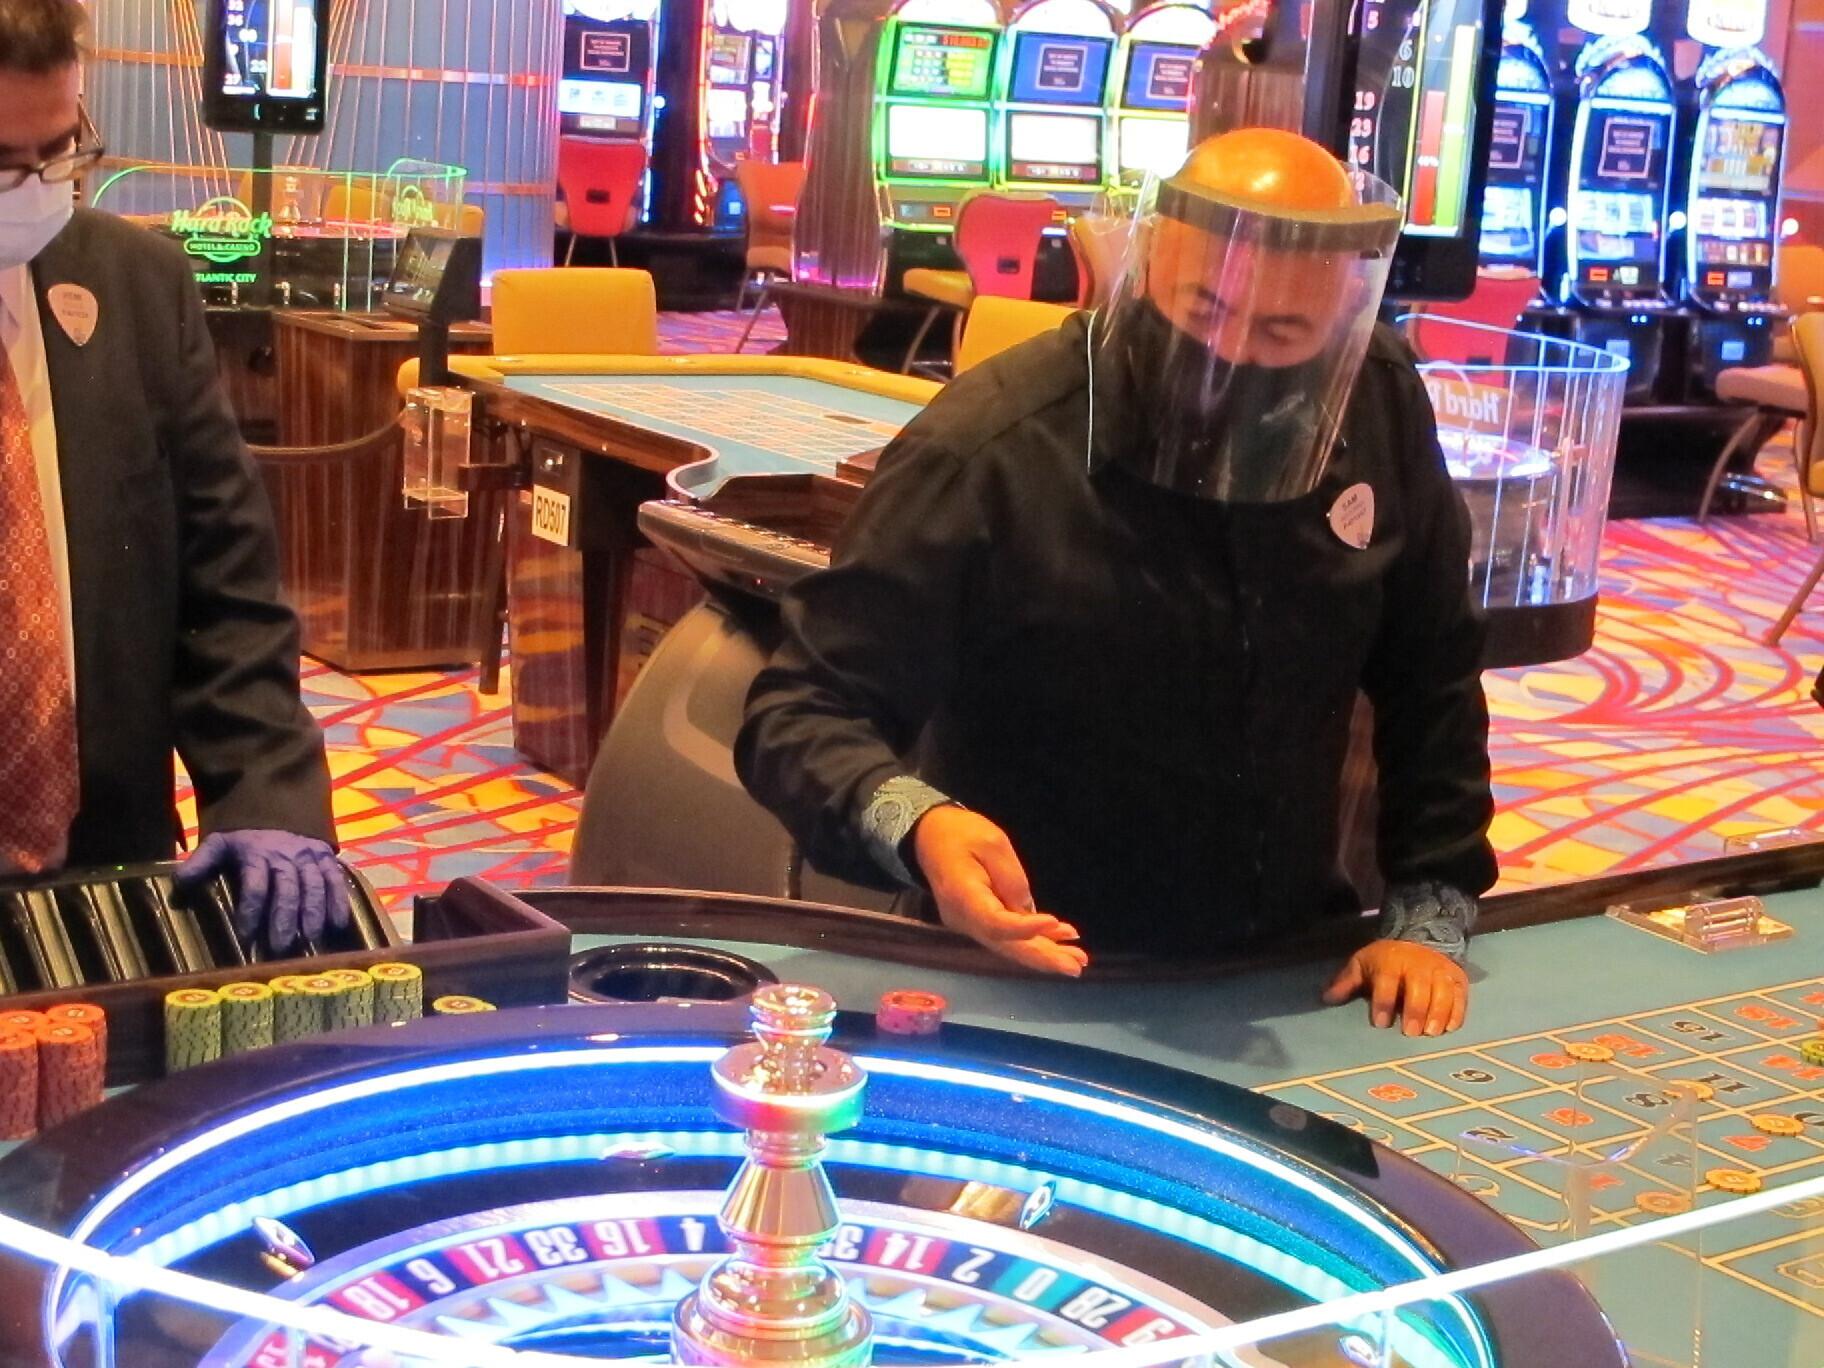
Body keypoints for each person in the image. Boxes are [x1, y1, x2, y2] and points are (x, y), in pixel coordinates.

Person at [738, 128, 1496, 1036]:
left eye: (1284, 329)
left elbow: (1433, 665)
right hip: (1031, 967)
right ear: (1148, 263)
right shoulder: (991, 443)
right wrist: (923, 825)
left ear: (1341, 307)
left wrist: (1431, 904)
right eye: (1206, 310)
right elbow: (800, 710)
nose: (1237, 357)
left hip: (1285, 958)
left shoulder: (1376, 394)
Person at [0, 0, 347, 949]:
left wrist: (266, 787)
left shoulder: (139, 285)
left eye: (61, 150)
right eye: (1, 162)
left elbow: (223, 580)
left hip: (110, 863)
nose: (35, 190)